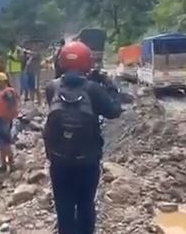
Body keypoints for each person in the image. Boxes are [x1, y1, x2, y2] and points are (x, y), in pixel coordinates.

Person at [44, 41, 122, 234]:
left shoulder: (52, 87)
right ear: (87, 63)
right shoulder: (93, 89)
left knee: (64, 208)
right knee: (86, 204)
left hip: (59, 160)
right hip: (87, 161)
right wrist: (110, 86)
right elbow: (114, 111)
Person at [0, 72, 19, 173]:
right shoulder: (2, 92)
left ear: (3, 82)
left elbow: (12, 104)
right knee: (1, 143)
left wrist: (11, 116)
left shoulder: (8, 92)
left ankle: (11, 164)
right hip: (1, 119)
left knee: (5, 142)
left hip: (5, 119)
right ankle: (3, 164)